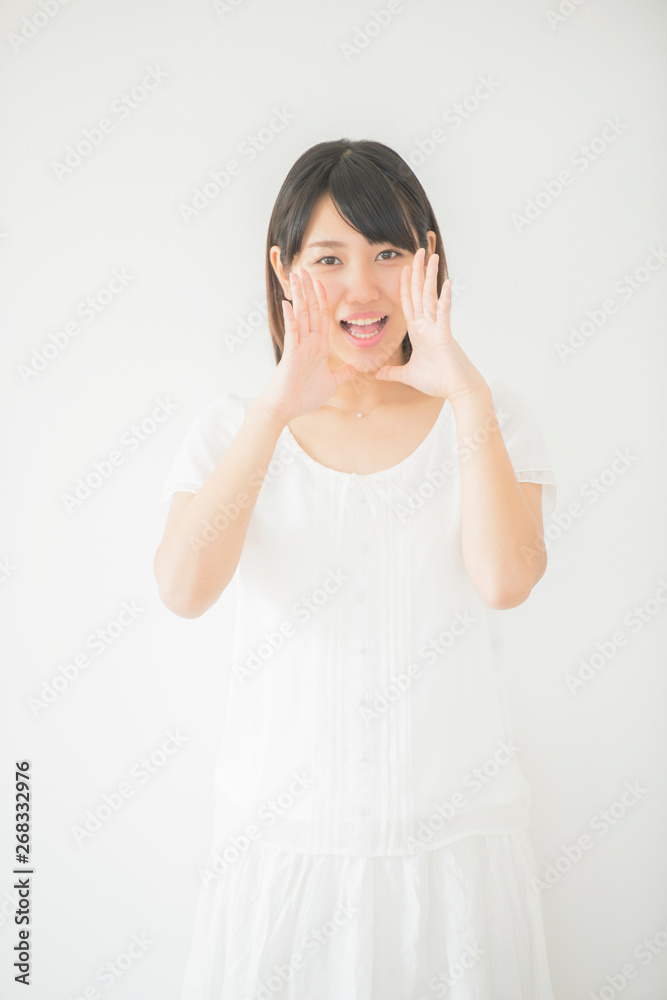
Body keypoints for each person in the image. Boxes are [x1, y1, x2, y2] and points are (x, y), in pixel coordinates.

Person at [154, 139, 558, 999]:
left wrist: (467, 394)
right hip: (283, 855)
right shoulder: (233, 427)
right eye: (329, 259)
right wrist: (277, 406)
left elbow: (504, 580)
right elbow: (183, 589)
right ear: (283, 270)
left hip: (454, 856)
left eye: (388, 253)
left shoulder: (490, 416)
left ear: (428, 262)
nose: (363, 288)